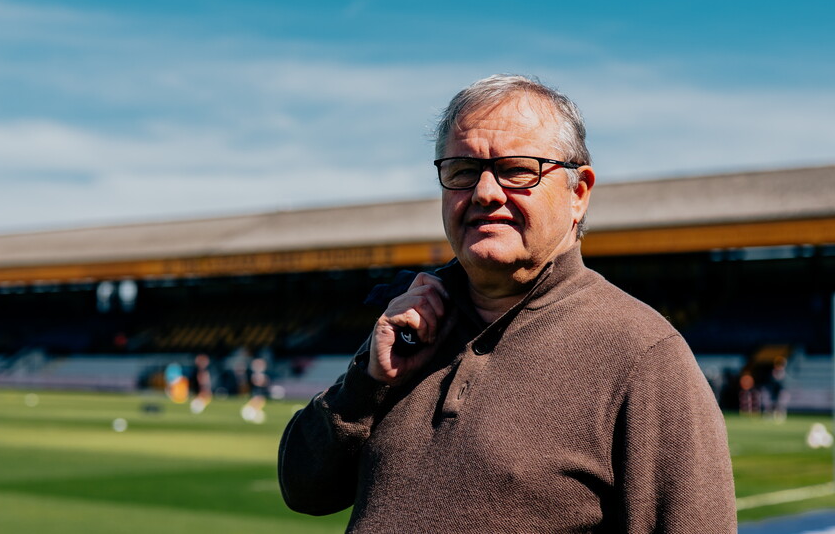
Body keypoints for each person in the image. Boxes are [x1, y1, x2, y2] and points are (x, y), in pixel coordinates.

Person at [278, 74, 736, 532]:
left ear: (578, 193)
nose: (484, 193)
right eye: (461, 171)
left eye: (518, 169)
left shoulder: (643, 355)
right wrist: (367, 383)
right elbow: (303, 490)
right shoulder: (409, 322)